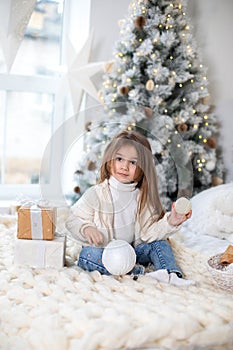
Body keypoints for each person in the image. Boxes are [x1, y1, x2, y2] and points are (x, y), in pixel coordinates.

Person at [66, 130, 195, 286]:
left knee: (160, 244)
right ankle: (139, 274)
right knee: (88, 255)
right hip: (106, 252)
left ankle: (171, 273)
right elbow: (72, 219)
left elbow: (150, 233)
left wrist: (172, 221)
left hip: (133, 253)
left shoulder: (141, 198)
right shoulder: (96, 194)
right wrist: (86, 228)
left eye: (133, 162)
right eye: (119, 159)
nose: (124, 166)